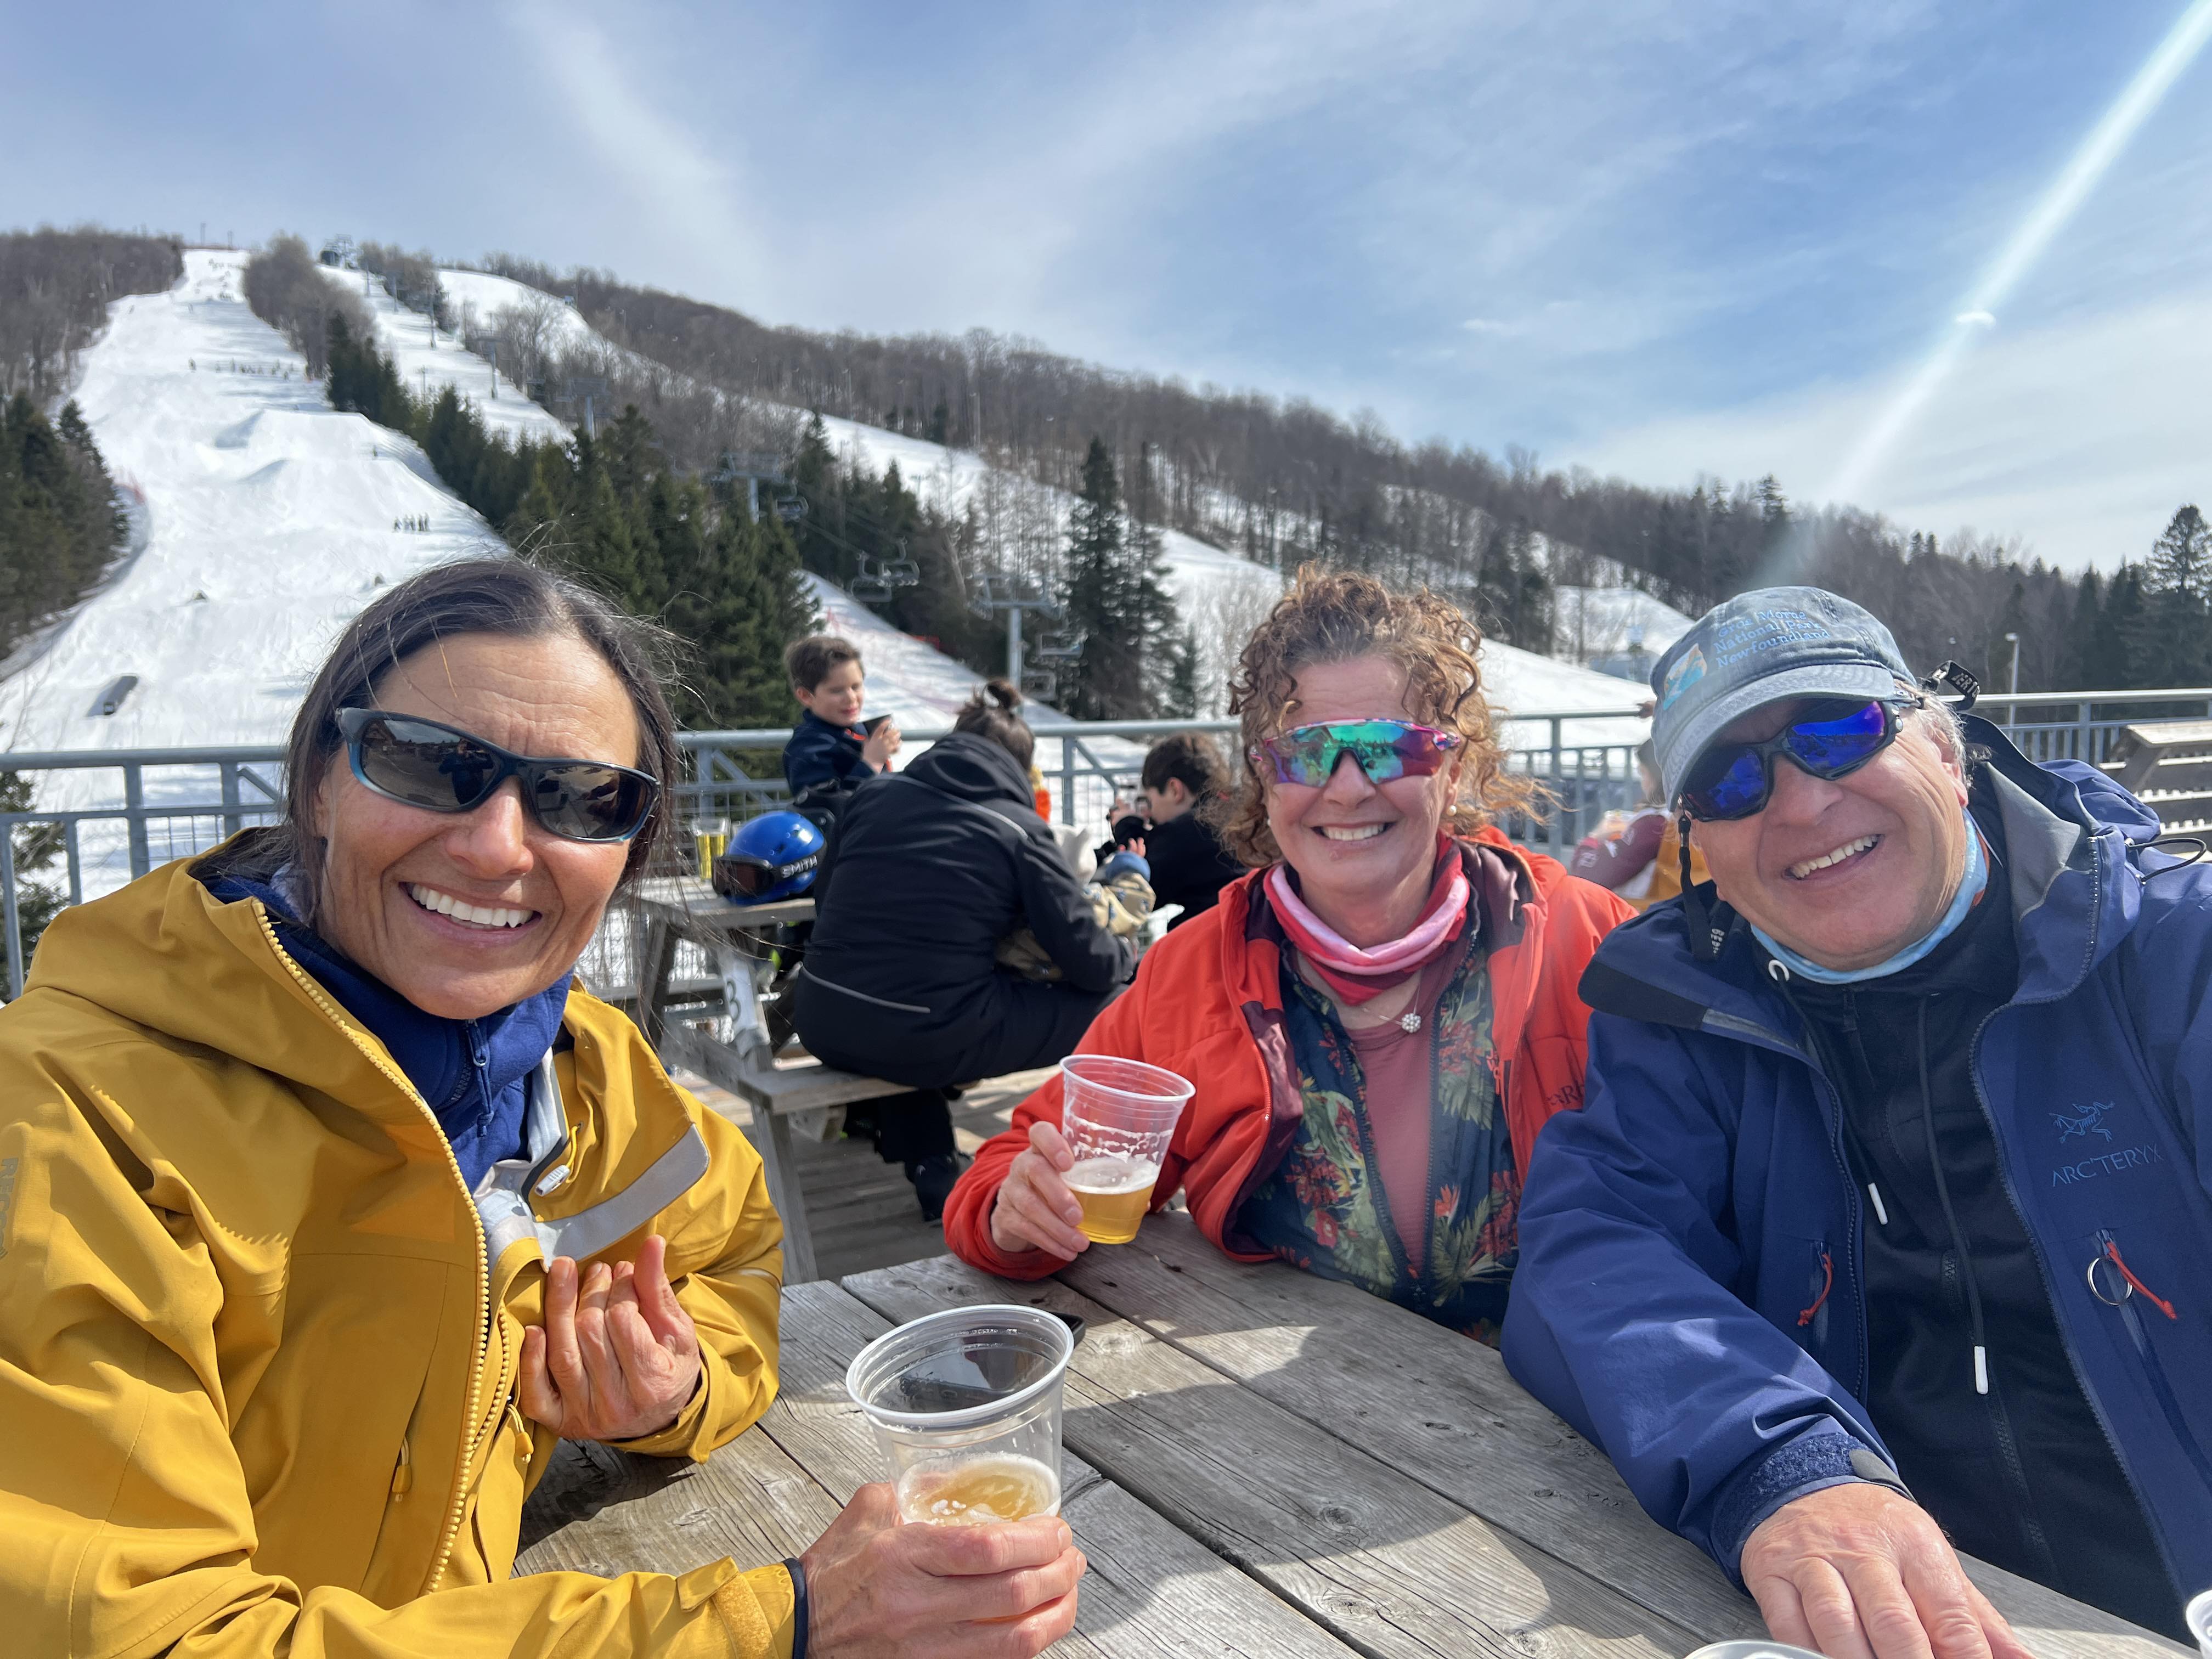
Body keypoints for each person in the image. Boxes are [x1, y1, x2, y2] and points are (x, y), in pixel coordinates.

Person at [0, 561, 1084, 1658]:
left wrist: (674, 1383)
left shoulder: (586, 1073)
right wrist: (780, 1623)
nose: (498, 845)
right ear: (321, 781)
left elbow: (741, 1245)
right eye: (428, 765)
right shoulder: (71, 1118)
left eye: (583, 796)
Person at [1504, 585, 2212, 1652]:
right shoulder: (1685, 1020)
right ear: (1699, 842)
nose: (1795, 802)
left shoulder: (2170, 956)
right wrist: (1779, 1459)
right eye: (1730, 780)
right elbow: (1594, 1250)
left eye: (1835, 733)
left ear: (1946, 746)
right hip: (1866, 1617)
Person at [944, 568, 1633, 1341]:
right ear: (1263, 784)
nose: (1345, 791)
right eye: (1303, 755)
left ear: (1453, 765)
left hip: (1556, 1408)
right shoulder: (1193, 973)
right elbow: (1007, 1170)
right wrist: (1018, 1209)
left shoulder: (1587, 941)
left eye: (1385, 749)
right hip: (1282, 1428)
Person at [794, 679, 1131, 1221]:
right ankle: (1093, 1168)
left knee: (910, 990)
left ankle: (932, 1165)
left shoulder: (872, 795)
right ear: (1021, 770)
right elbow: (1091, 963)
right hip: (929, 1033)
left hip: (823, 1022)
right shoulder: (1018, 829)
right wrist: (1125, 954)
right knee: (1119, 1006)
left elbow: (827, 899)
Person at [1098, 732, 1245, 928]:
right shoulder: (1235, 811)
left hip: (1220, 943)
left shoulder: (1192, 829)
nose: (1150, 812)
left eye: (1150, 801)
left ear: (1175, 790)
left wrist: (1127, 827)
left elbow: (1141, 891)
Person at [781, 633, 900, 818]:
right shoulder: (807, 748)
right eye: (837, 691)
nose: (851, 698)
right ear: (805, 696)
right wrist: (872, 763)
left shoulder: (858, 732)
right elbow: (828, 812)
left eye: (856, 686)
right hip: (848, 846)